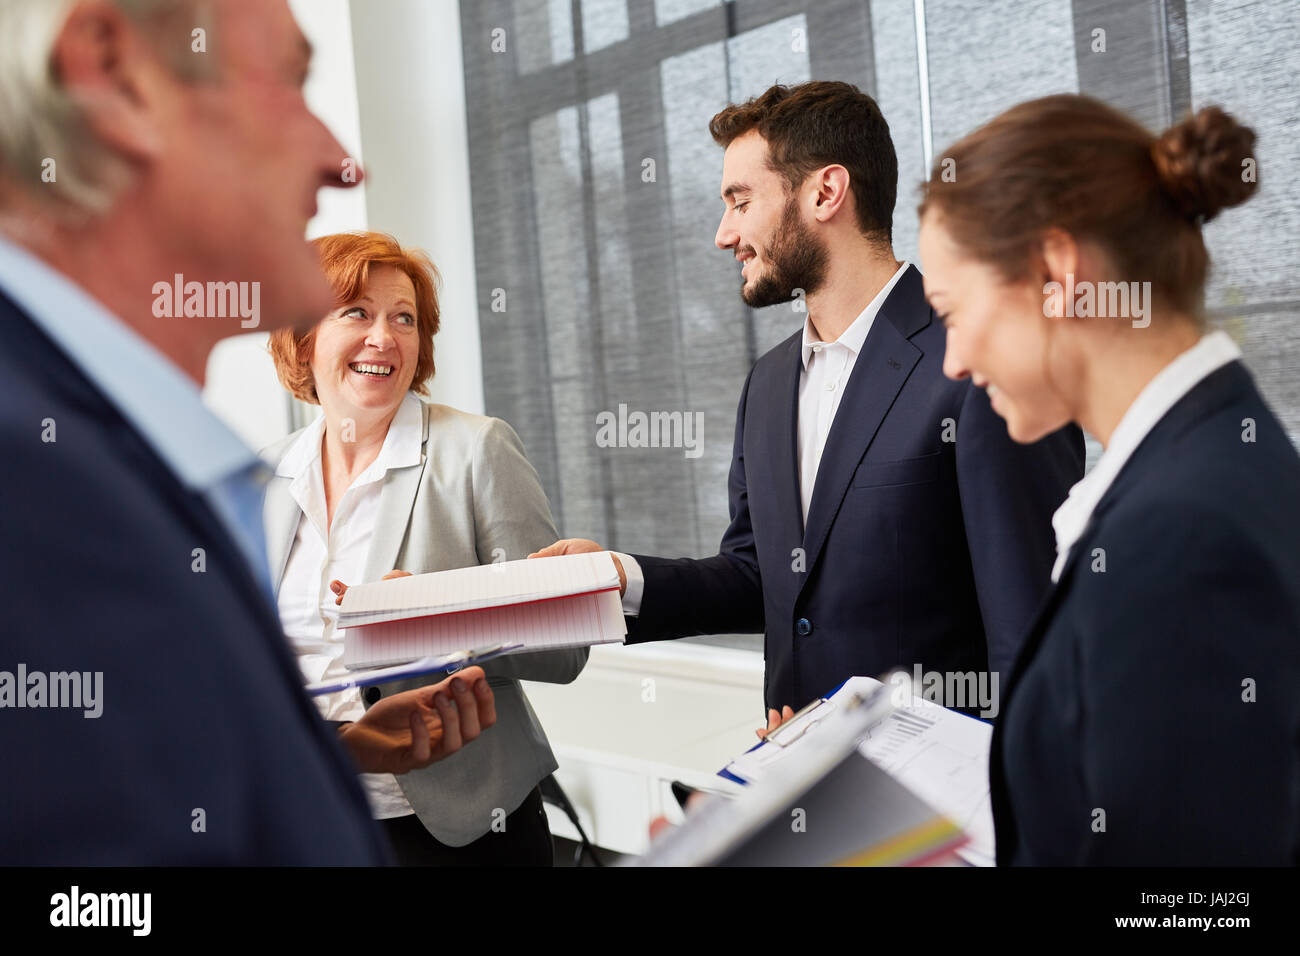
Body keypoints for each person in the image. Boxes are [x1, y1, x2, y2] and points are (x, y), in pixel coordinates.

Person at [0, 0, 493, 864]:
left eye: (403, 319)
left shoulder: (115, 460)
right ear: (115, 79)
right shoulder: (32, 482)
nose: (342, 162)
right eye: (292, 80)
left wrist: (321, 752)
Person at [535, 82, 1084, 728]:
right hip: (806, 797)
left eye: (740, 202)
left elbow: (1031, 639)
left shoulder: (978, 361)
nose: (723, 234)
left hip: (949, 810)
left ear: (825, 193)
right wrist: (617, 578)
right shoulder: (766, 386)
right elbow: (760, 577)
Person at [917, 94, 1300, 865]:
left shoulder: (1181, 538)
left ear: (1057, 272)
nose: (952, 363)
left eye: (951, 312)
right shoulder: (1203, 468)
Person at [263, 231, 587, 865]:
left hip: (458, 828)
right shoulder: (264, 478)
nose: (384, 337)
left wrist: (437, 620)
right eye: (357, 312)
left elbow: (566, 649)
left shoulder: (476, 450)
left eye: (404, 318)